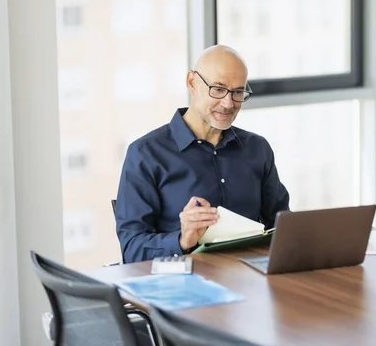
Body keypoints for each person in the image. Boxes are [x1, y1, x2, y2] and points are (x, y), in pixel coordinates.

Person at [115, 45, 290, 263]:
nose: (228, 103)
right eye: (218, 89)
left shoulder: (258, 149)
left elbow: (284, 229)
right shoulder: (145, 155)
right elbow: (131, 250)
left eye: (237, 92)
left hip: (252, 281)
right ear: (192, 83)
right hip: (184, 286)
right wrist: (182, 239)